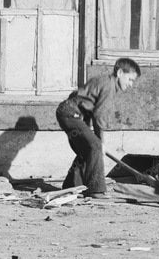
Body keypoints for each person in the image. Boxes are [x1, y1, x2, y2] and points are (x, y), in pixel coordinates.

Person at [56, 57, 139, 197]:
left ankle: (71, 187)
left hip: (67, 112)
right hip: (70, 114)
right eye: (130, 79)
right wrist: (101, 142)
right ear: (119, 73)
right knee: (95, 147)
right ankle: (96, 189)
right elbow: (99, 115)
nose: (131, 84)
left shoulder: (103, 81)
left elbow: (83, 100)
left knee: (86, 150)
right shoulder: (109, 86)